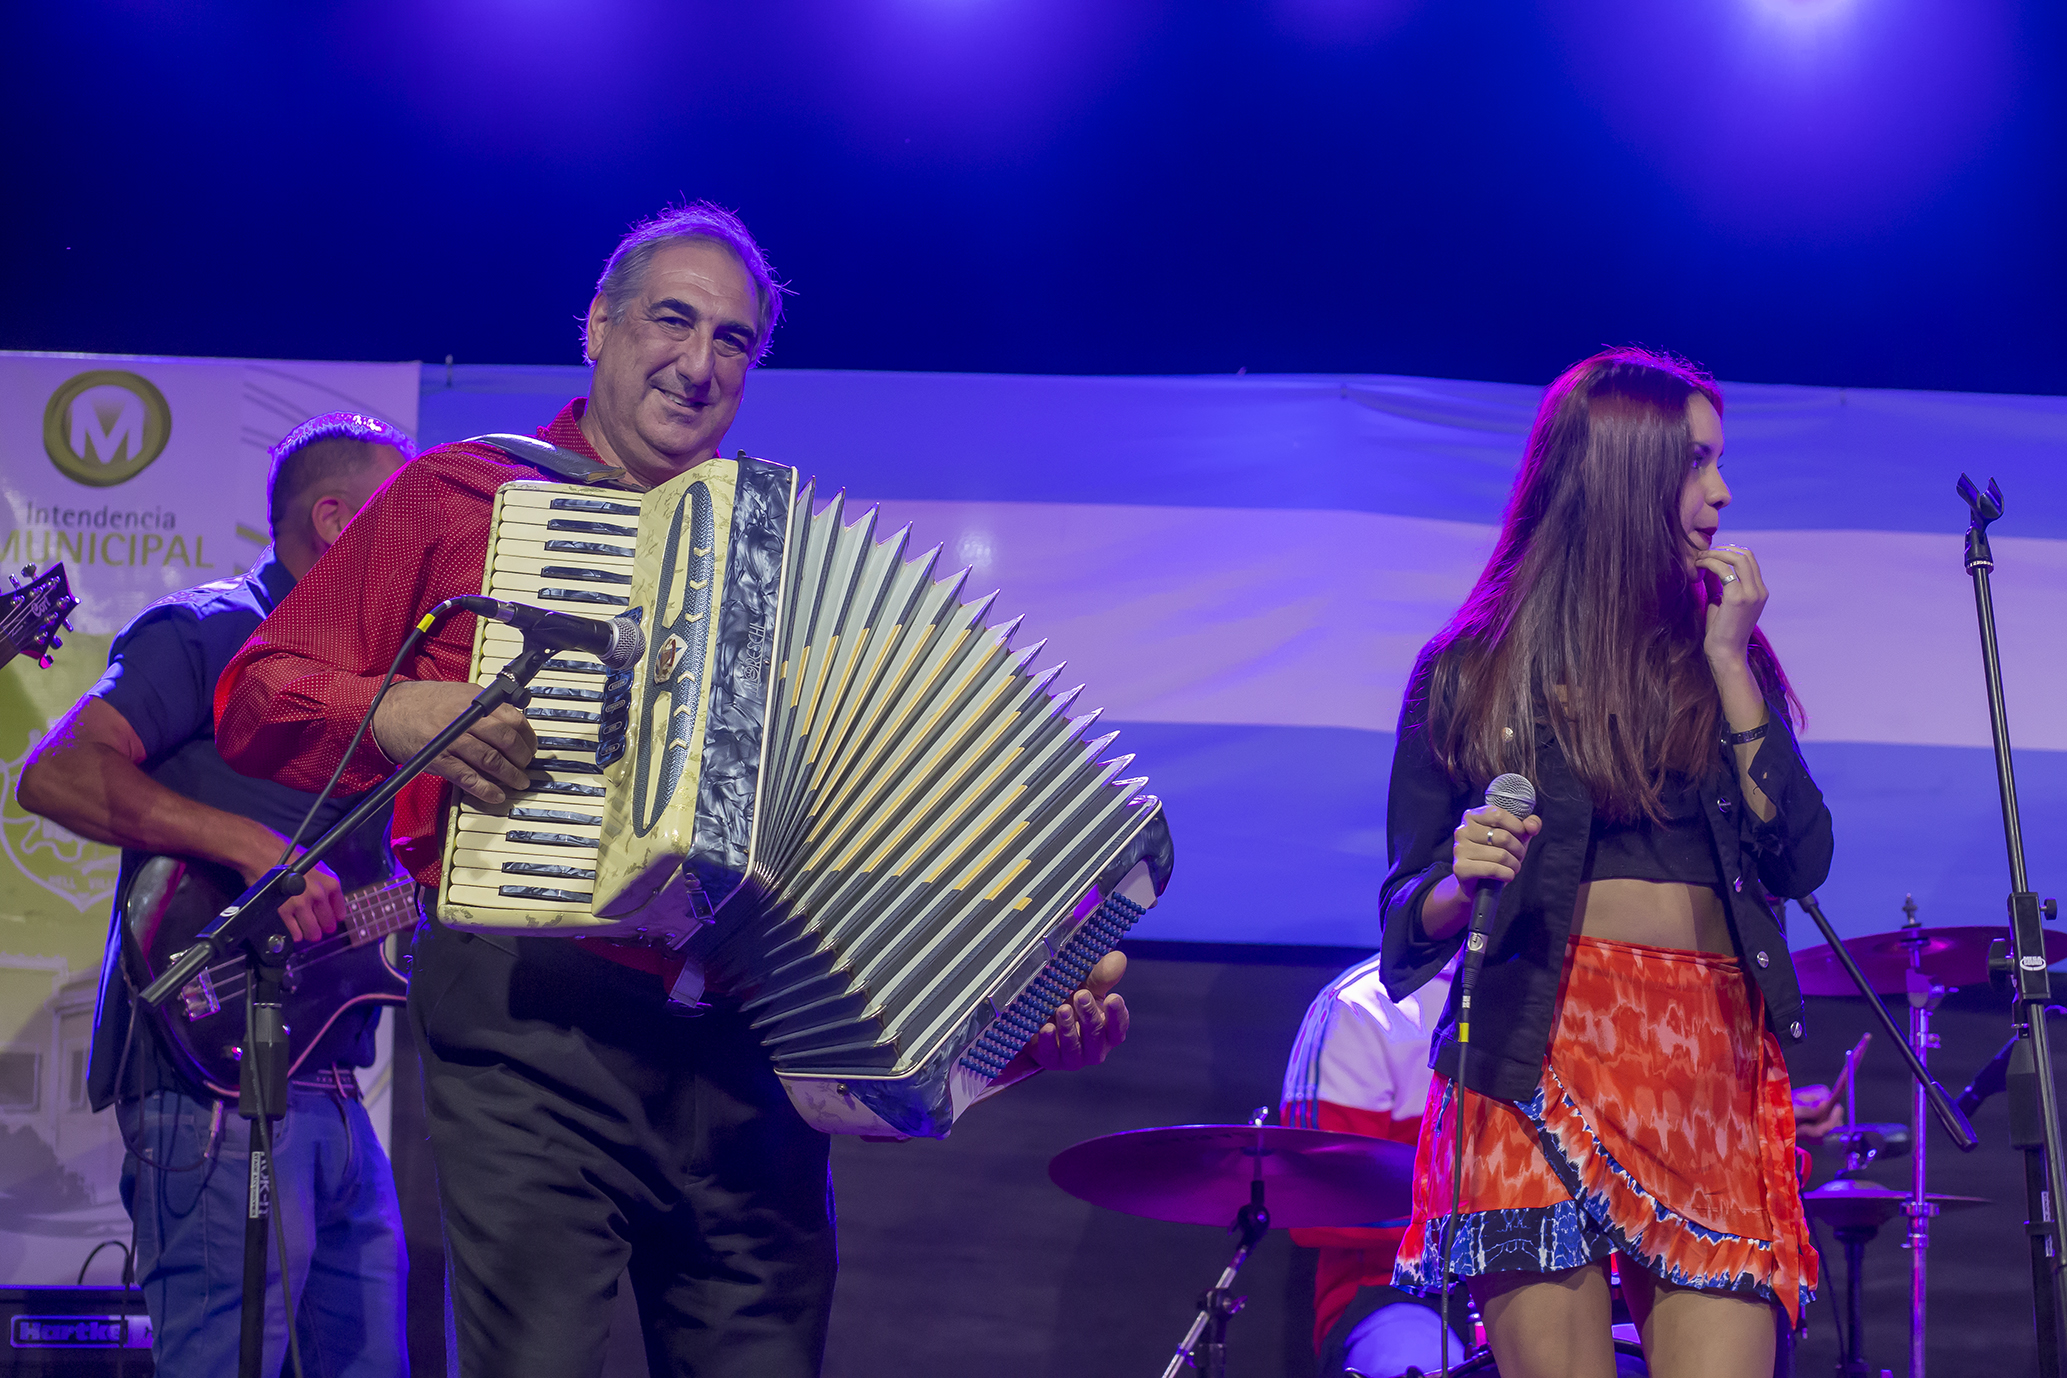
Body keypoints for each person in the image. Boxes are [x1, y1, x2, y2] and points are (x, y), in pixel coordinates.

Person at [211, 203, 1132, 1378]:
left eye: (733, 340)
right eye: (672, 320)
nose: (699, 364)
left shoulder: (793, 579)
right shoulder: (462, 494)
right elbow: (256, 695)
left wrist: (1015, 1025)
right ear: (597, 327)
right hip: (535, 1029)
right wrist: (398, 715)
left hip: (744, 1061)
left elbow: (865, 884)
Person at [1376, 347, 1832, 1378]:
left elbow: (1800, 857)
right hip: (1534, 1052)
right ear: (1625, 473)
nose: (1722, 492)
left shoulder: (1725, 654)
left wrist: (1730, 663)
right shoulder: (1472, 669)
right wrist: (1458, 879)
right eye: (1697, 461)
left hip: (1706, 1062)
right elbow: (1405, 914)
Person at [15, 412, 416, 1376]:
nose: (426, 544)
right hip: (210, 1093)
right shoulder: (210, 628)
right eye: (402, 518)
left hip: (331, 1087)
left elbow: (376, 892)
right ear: (336, 520)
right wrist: (254, 850)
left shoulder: (375, 683)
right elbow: (56, 772)